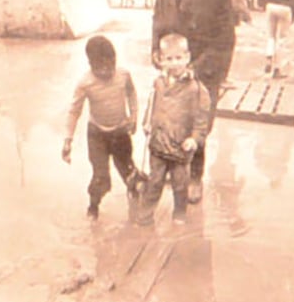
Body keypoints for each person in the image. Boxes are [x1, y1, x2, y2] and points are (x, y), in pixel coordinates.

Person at [58, 29, 143, 217]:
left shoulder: (123, 75)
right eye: (101, 68)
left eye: (111, 65)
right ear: (91, 65)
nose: (107, 71)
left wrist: (134, 116)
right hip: (97, 135)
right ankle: (93, 207)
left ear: (115, 60)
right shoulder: (85, 83)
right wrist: (68, 140)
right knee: (100, 177)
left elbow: (131, 94)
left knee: (128, 170)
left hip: (120, 132)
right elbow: (74, 111)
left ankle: (135, 199)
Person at [146, 32, 217, 215]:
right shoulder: (159, 83)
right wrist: (147, 123)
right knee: (154, 182)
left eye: (178, 58)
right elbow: (152, 104)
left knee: (180, 185)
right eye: (169, 59)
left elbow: (202, 119)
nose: (174, 63)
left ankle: (179, 215)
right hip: (159, 144)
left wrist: (195, 138)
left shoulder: (196, 89)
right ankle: (145, 217)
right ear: (161, 60)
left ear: (187, 57)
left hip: (181, 147)